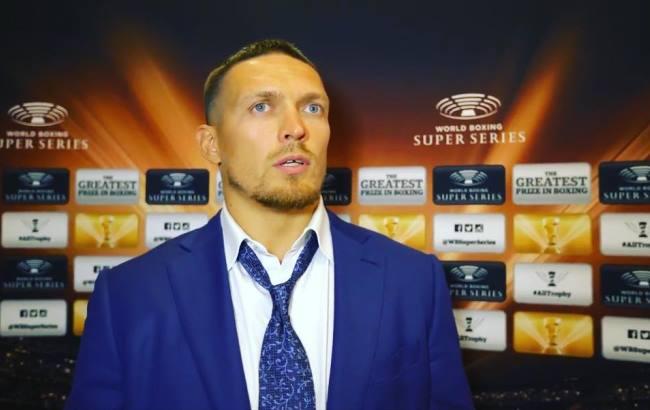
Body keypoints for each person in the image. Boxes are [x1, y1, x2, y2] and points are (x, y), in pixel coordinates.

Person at [66, 39, 474, 410]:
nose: (296, 128)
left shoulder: (413, 281)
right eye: (261, 106)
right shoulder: (129, 296)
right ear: (212, 144)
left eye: (313, 108)